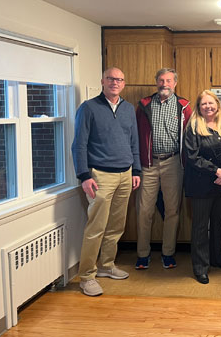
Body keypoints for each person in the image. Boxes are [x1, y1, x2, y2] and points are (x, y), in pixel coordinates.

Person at [71, 67, 141, 296]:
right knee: (96, 227)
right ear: (102, 80)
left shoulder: (128, 109)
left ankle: (106, 266)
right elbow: (79, 144)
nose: (115, 82)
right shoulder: (89, 108)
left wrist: (136, 170)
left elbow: (134, 142)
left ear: (124, 84)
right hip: (100, 175)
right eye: (111, 78)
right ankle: (87, 276)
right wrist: (84, 175)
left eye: (120, 79)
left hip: (125, 174)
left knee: (116, 226)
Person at [135, 68, 192, 270]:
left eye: (168, 80)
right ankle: (142, 254)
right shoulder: (144, 105)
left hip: (174, 163)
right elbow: (135, 136)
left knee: (172, 211)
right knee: (144, 211)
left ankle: (168, 253)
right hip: (148, 164)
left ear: (175, 83)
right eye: (161, 80)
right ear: (156, 82)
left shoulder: (184, 106)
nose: (164, 84)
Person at [183, 90, 221, 284]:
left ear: (217, 106)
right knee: (200, 227)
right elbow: (192, 157)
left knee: (218, 223)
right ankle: (200, 267)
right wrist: (216, 171)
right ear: (199, 107)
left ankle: (217, 258)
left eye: (211, 103)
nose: (208, 107)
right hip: (201, 184)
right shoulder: (194, 127)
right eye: (204, 104)